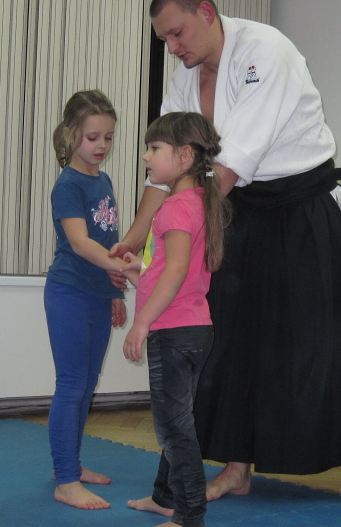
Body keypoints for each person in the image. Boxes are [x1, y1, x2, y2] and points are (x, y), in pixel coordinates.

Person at [111, 0, 341, 512]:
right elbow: (168, 170)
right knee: (231, 339)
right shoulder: (185, 76)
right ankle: (236, 469)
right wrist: (133, 238)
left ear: (207, 12)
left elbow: (225, 169)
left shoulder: (266, 52)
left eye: (177, 33)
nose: (173, 47)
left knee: (329, 339)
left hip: (302, 206)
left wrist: (178, 240)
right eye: (164, 39)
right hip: (238, 209)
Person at [121, 112, 229, 527]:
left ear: (184, 155)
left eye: (154, 148)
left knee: (173, 428)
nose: (146, 156)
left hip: (173, 332)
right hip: (194, 328)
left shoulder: (174, 207)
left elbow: (178, 270)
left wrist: (141, 323)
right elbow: (171, 270)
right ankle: (164, 497)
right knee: (177, 418)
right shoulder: (197, 202)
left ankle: (189, 515)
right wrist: (138, 271)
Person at [43, 89, 129, 510]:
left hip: (97, 294)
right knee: (72, 384)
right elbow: (80, 243)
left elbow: (107, 240)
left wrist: (114, 290)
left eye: (108, 137)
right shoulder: (68, 184)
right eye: (93, 137)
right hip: (69, 293)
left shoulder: (104, 181)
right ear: (72, 134)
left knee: (88, 385)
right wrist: (127, 270)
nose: (102, 146)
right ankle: (65, 479)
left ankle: (71, 465)